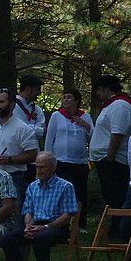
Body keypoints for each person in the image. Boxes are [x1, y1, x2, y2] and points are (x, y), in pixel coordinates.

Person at [1, 152, 78, 261]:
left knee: (40, 238)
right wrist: (28, 226)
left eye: (42, 167)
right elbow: (28, 210)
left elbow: (68, 215)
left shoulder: (65, 186)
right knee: (8, 239)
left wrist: (46, 227)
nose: (38, 171)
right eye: (36, 167)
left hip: (56, 226)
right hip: (36, 224)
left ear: (53, 168)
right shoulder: (32, 186)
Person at [0, 88, 38, 202]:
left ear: (12, 105)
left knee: (14, 214)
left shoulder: (23, 129)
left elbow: (32, 155)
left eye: (1, 102)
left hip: (14, 177)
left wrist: (10, 160)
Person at [44, 89, 93, 225]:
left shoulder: (85, 116)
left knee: (80, 193)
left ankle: (80, 222)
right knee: (60, 191)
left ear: (76, 100)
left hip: (80, 162)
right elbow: (49, 138)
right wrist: (47, 158)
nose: (65, 100)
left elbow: (93, 138)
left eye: (69, 97)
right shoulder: (57, 115)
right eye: (64, 97)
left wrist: (87, 126)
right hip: (61, 161)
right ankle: (59, 221)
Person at [89, 74, 131, 209]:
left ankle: (118, 227)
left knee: (115, 197)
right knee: (109, 197)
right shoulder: (110, 106)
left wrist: (110, 156)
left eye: (99, 90)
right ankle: (113, 226)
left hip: (114, 161)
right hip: (104, 159)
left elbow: (118, 132)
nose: (97, 94)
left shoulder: (120, 105)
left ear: (106, 89)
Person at [14, 74, 48, 147]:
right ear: (28, 89)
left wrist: (26, 128)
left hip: (34, 151)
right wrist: (35, 128)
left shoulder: (37, 110)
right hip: (17, 151)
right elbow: (17, 130)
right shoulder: (12, 107)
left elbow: (41, 132)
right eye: (37, 89)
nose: (40, 93)